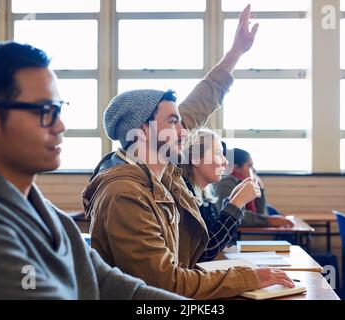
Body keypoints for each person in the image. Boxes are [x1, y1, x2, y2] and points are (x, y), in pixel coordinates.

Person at [83, 5, 294, 300]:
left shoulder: (159, 162)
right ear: (142, 131)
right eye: (173, 122)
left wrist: (236, 52)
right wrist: (248, 278)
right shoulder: (124, 194)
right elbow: (167, 285)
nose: (184, 131)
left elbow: (199, 103)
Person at [0, 42, 184, 300]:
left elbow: (115, 287)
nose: (61, 125)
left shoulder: (49, 215)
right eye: (45, 111)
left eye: (59, 109)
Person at [180, 129, 259, 262]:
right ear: (195, 159)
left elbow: (219, 240)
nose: (225, 162)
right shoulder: (184, 197)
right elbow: (204, 253)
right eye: (218, 153)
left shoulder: (205, 196)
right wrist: (236, 204)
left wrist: (233, 200)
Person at [214, 147, 294, 228]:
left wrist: (260, 188)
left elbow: (261, 213)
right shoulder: (226, 182)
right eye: (250, 166)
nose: (254, 170)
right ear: (236, 168)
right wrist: (267, 220)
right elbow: (231, 213)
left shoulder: (244, 183)